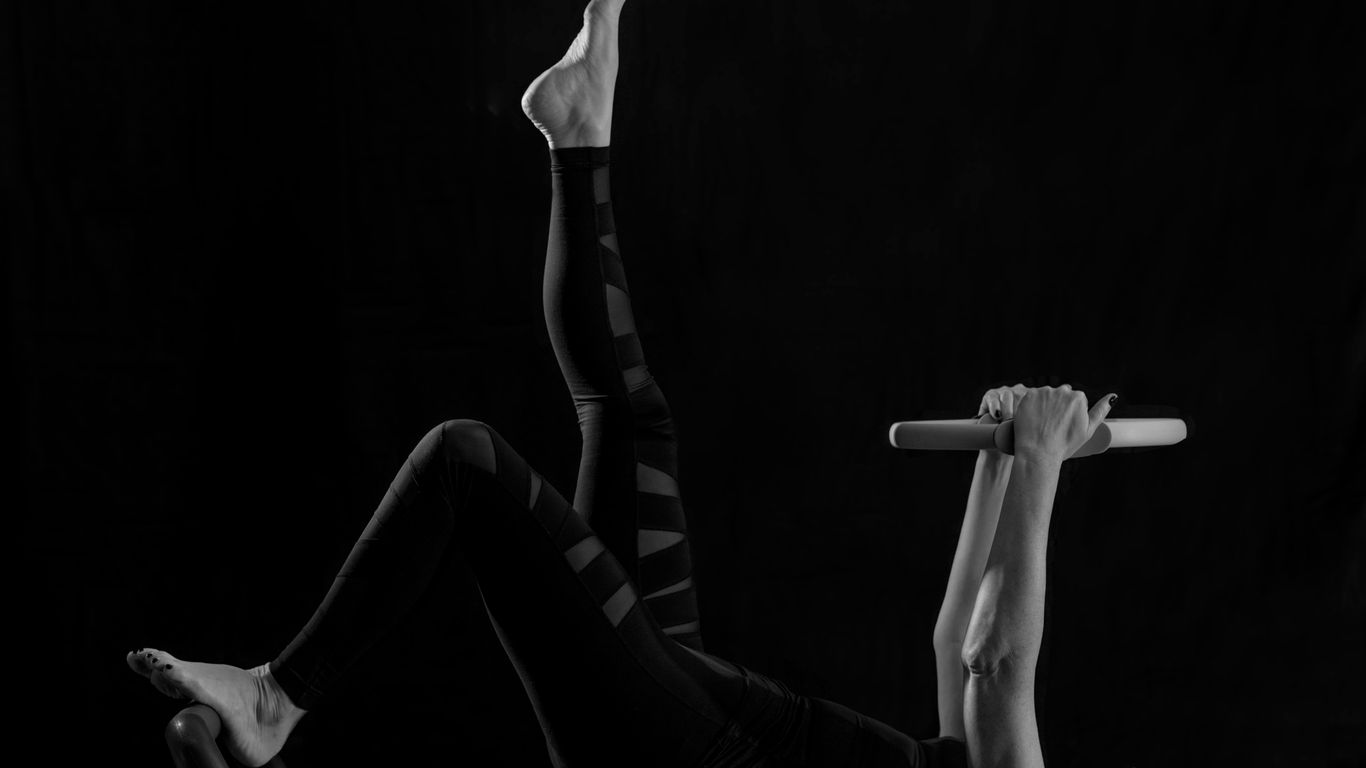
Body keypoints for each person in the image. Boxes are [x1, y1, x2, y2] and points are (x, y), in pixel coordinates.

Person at [127, 2, 1116, 765]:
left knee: (464, 459)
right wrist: (999, 460)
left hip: (693, 753)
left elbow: (997, 667)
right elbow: (956, 644)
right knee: (630, 417)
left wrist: (1039, 467)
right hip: (709, 711)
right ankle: (580, 129)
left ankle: (276, 700)